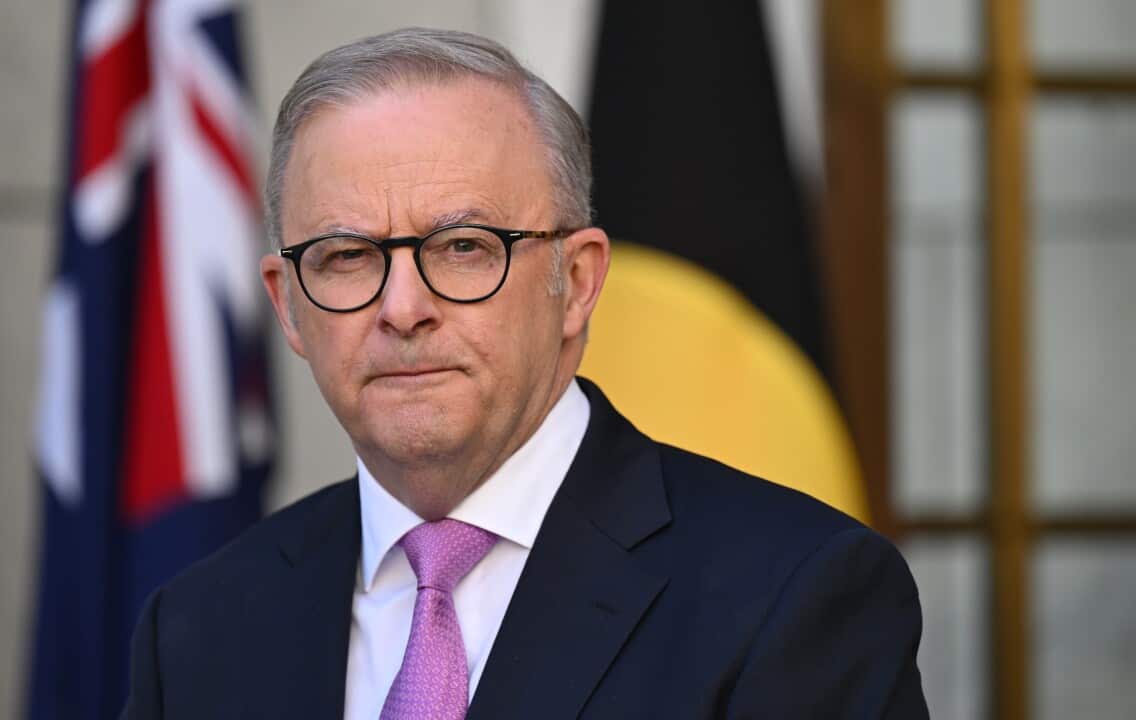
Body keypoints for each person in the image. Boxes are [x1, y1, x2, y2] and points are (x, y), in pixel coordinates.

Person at [123, 27, 927, 719]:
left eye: (464, 247)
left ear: (576, 282)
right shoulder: (198, 628)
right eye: (346, 257)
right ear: (289, 305)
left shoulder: (796, 596)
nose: (403, 307)